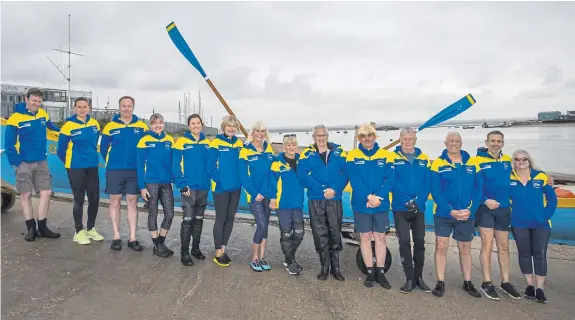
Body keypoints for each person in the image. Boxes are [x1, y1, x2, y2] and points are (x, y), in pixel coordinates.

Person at [469, 130, 521, 300]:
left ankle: (505, 281)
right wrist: (485, 200)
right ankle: (486, 282)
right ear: (487, 142)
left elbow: (523, 174)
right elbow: (472, 186)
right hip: (486, 209)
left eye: (499, 141)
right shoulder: (476, 161)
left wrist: (547, 180)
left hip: (504, 209)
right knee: (487, 245)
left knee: (504, 247)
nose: (496, 144)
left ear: (503, 143)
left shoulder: (508, 161)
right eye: (492, 141)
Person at [430, 131, 483, 298]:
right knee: (441, 246)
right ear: (445, 143)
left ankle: (467, 282)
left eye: (457, 141)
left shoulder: (473, 163)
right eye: (451, 141)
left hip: (466, 214)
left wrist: (471, 210)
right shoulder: (437, 164)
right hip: (444, 214)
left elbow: (478, 189)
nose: (454, 143)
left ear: (461, 143)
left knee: (465, 248)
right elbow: (436, 191)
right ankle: (440, 282)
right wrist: (450, 210)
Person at [4, 88, 61, 241]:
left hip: (41, 160)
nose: (36, 103)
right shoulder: (15, 118)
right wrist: (17, 162)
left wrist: (64, 131)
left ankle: (42, 227)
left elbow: (51, 127)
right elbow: (9, 144)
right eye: (34, 100)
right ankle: (31, 228)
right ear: (26, 99)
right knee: (26, 194)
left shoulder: (43, 114)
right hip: (23, 162)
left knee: (46, 192)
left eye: (39, 101)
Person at [345, 123, 395, 289]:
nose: (367, 139)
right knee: (365, 237)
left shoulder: (386, 155)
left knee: (380, 238)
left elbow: (390, 179)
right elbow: (355, 180)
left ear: (374, 137)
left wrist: (377, 197)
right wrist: (368, 196)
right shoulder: (352, 155)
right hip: (361, 204)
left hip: (380, 204)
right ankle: (370, 271)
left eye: (370, 135)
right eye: (363, 136)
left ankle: (380, 272)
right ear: (359, 138)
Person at [298, 124, 348, 281]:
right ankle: (324, 267)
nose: (320, 138)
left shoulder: (339, 152)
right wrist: (321, 189)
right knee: (320, 234)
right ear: (313, 137)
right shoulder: (307, 153)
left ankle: (336, 268)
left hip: (334, 198)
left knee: (334, 231)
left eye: (323, 135)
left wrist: (335, 189)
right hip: (316, 199)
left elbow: (346, 173)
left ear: (328, 136)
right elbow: (303, 175)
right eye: (317, 136)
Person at [509, 149, 557, 304]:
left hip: (541, 224)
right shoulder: (509, 178)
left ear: (529, 161)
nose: (521, 161)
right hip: (519, 223)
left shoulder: (541, 177)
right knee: (524, 254)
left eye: (524, 159)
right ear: (513, 162)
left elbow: (552, 199)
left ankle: (540, 288)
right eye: (517, 159)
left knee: (539, 254)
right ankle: (529, 285)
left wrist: (545, 216)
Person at [100, 96, 148, 251]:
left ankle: (133, 237)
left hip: (134, 171)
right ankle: (116, 236)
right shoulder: (110, 126)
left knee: (132, 202)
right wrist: (113, 161)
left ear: (133, 107)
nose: (126, 108)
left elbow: (145, 147)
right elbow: (103, 148)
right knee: (115, 202)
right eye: (123, 106)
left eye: (129, 106)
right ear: (119, 107)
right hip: (115, 170)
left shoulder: (141, 126)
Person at [56, 97, 104, 245]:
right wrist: (69, 164)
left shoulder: (94, 124)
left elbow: (94, 142)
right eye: (79, 107)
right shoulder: (68, 126)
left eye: (85, 107)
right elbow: (60, 150)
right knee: (79, 199)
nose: (82, 109)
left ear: (89, 108)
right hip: (75, 167)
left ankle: (90, 228)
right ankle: (78, 231)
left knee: (94, 198)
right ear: (74, 108)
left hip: (92, 166)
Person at [390, 127, 432, 293]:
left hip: (419, 207)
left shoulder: (424, 158)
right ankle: (408, 278)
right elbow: (392, 182)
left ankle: (419, 277)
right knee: (404, 242)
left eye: (410, 138)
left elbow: (427, 182)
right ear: (400, 139)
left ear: (415, 139)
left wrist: (418, 200)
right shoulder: (392, 158)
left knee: (420, 242)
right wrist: (406, 200)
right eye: (404, 139)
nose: (407, 141)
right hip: (401, 207)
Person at [172, 113, 211, 266]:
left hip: (203, 186)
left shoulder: (207, 143)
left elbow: (211, 163)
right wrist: (181, 184)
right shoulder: (181, 142)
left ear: (202, 124)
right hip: (188, 187)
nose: (196, 125)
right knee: (187, 220)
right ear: (189, 126)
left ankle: (195, 249)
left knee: (199, 219)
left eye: (198, 123)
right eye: (193, 123)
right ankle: (184, 253)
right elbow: (175, 166)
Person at [137, 113, 175, 258]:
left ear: (163, 123)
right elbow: (140, 165)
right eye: (154, 123)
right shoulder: (144, 141)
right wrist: (142, 186)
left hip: (166, 183)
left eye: (160, 122)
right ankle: (157, 245)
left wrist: (175, 179)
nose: (157, 125)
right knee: (153, 213)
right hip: (151, 183)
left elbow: (173, 163)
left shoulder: (169, 140)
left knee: (170, 214)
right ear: (150, 125)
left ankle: (160, 242)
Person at [208, 115, 244, 267]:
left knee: (230, 218)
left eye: (233, 126)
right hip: (221, 188)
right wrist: (221, 181)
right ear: (223, 127)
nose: (231, 128)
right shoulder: (215, 143)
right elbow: (210, 167)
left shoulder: (239, 144)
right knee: (221, 218)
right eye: (228, 126)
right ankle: (217, 252)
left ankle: (223, 248)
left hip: (236, 188)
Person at [239, 121, 275, 272]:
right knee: (261, 225)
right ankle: (254, 258)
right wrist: (255, 193)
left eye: (262, 131)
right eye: (257, 131)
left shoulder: (269, 150)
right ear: (252, 133)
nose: (260, 134)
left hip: (267, 195)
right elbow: (243, 176)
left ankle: (262, 258)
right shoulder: (245, 151)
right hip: (255, 196)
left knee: (265, 226)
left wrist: (271, 194)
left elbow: (273, 174)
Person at [269, 134, 305, 275]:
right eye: (288, 145)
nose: (291, 147)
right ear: (284, 146)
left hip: (297, 202)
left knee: (299, 233)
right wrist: (273, 198)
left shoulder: (301, 161)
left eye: (293, 145)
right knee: (286, 233)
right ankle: (290, 262)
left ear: (296, 146)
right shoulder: (277, 161)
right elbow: (272, 181)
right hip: (283, 203)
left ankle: (289, 257)